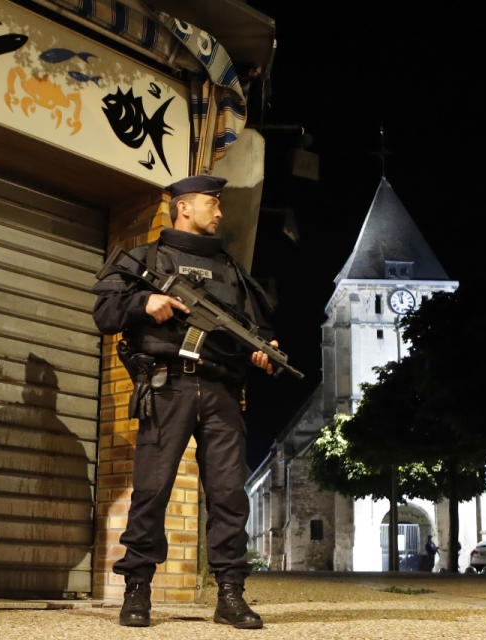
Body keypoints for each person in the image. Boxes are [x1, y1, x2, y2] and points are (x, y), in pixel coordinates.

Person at [92, 175, 277, 629]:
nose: (220, 213)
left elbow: (254, 330)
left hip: (222, 392)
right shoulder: (145, 260)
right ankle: (137, 592)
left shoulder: (232, 271)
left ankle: (230, 594)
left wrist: (261, 351)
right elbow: (104, 313)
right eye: (212, 204)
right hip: (166, 386)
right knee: (153, 490)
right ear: (184, 208)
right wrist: (145, 303)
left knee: (230, 495)